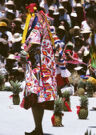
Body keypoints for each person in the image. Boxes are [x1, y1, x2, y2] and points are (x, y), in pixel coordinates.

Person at [20, 1, 57, 135]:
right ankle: (38, 129)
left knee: (34, 95)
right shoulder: (45, 19)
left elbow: (34, 39)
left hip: (37, 64)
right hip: (45, 63)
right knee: (37, 97)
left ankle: (38, 129)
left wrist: (24, 52)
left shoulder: (36, 18)